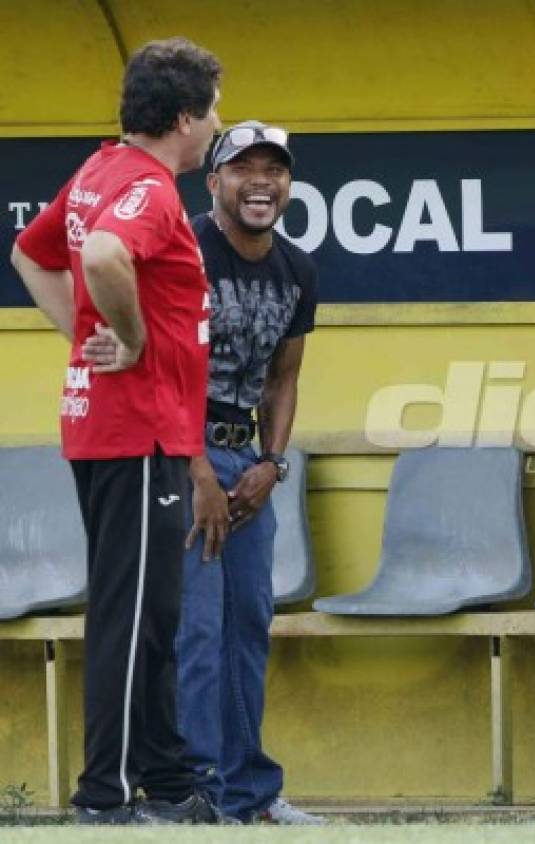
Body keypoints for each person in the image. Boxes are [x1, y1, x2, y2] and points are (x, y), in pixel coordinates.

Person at [9, 38, 223, 824]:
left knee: (152, 613)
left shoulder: (98, 171)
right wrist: (125, 344)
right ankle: (104, 796)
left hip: (128, 430)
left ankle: (165, 781)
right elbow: (99, 253)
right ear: (183, 117)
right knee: (130, 617)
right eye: (212, 112)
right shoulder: (145, 186)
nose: (215, 128)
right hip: (134, 431)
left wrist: (83, 335)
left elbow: (29, 255)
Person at [86, 121, 321, 824]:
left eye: (274, 170)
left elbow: (284, 378)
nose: (260, 181)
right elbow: (159, 368)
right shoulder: (180, 246)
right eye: (242, 167)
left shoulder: (298, 268)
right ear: (213, 180)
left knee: (248, 624)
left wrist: (272, 465)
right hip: (178, 454)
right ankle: (198, 791)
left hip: (246, 462)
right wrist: (197, 472)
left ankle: (251, 791)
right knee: (195, 630)